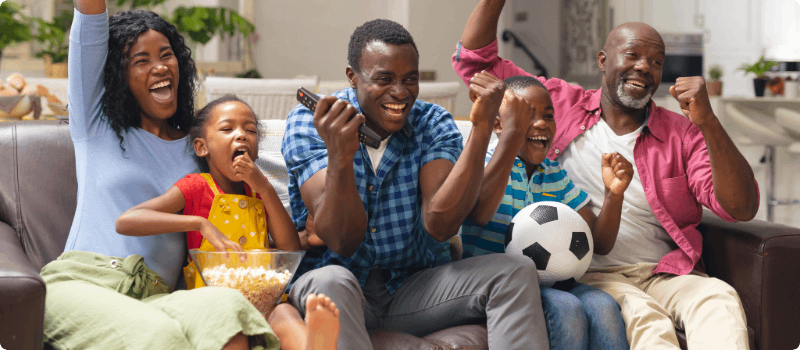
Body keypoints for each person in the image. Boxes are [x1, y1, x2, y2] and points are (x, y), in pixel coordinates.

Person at [453, 1, 760, 349]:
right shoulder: (557, 105)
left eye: (656, 62)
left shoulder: (683, 134)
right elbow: (476, 60)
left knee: (718, 298)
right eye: (632, 55)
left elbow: (740, 208)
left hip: (666, 271)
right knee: (648, 320)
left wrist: (708, 123)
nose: (644, 67)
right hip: (594, 273)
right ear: (603, 61)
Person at [282, 19, 550, 350]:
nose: (400, 92)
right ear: (353, 77)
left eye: (410, 79)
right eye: (384, 79)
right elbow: (342, 239)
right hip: (342, 286)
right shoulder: (309, 122)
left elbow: (440, 224)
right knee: (330, 281)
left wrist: (481, 127)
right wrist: (340, 155)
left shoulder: (431, 122)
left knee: (516, 271)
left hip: (414, 289)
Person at [40, 1, 275, 349]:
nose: (160, 67)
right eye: (141, 60)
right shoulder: (96, 127)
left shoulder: (200, 149)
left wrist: (306, 230)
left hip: (156, 297)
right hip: (82, 282)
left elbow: (241, 209)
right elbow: (89, 22)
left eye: (166, 55)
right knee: (157, 334)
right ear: (119, 75)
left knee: (228, 311)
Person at [116, 94, 340, 350]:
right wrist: (199, 224)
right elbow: (127, 221)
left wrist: (265, 189)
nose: (242, 135)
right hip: (213, 303)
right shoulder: (195, 186)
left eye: (250, 130)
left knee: (285, 314)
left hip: (262, 301)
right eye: (227, 128)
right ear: (202, 147)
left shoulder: (259, 193)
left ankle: (315, 345)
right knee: (231, 331)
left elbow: (289, 250)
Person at [460, 74, 631, 350]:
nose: (541, 124)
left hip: (552, 279)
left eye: (548, 116)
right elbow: (479, 214)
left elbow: (599, 243)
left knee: (604, 306)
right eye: (525, 116)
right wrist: (509, 141)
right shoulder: (481, 161)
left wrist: (614, 194)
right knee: (566, 308)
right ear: (497, 124)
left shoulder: (554, 173)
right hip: (499, 284)